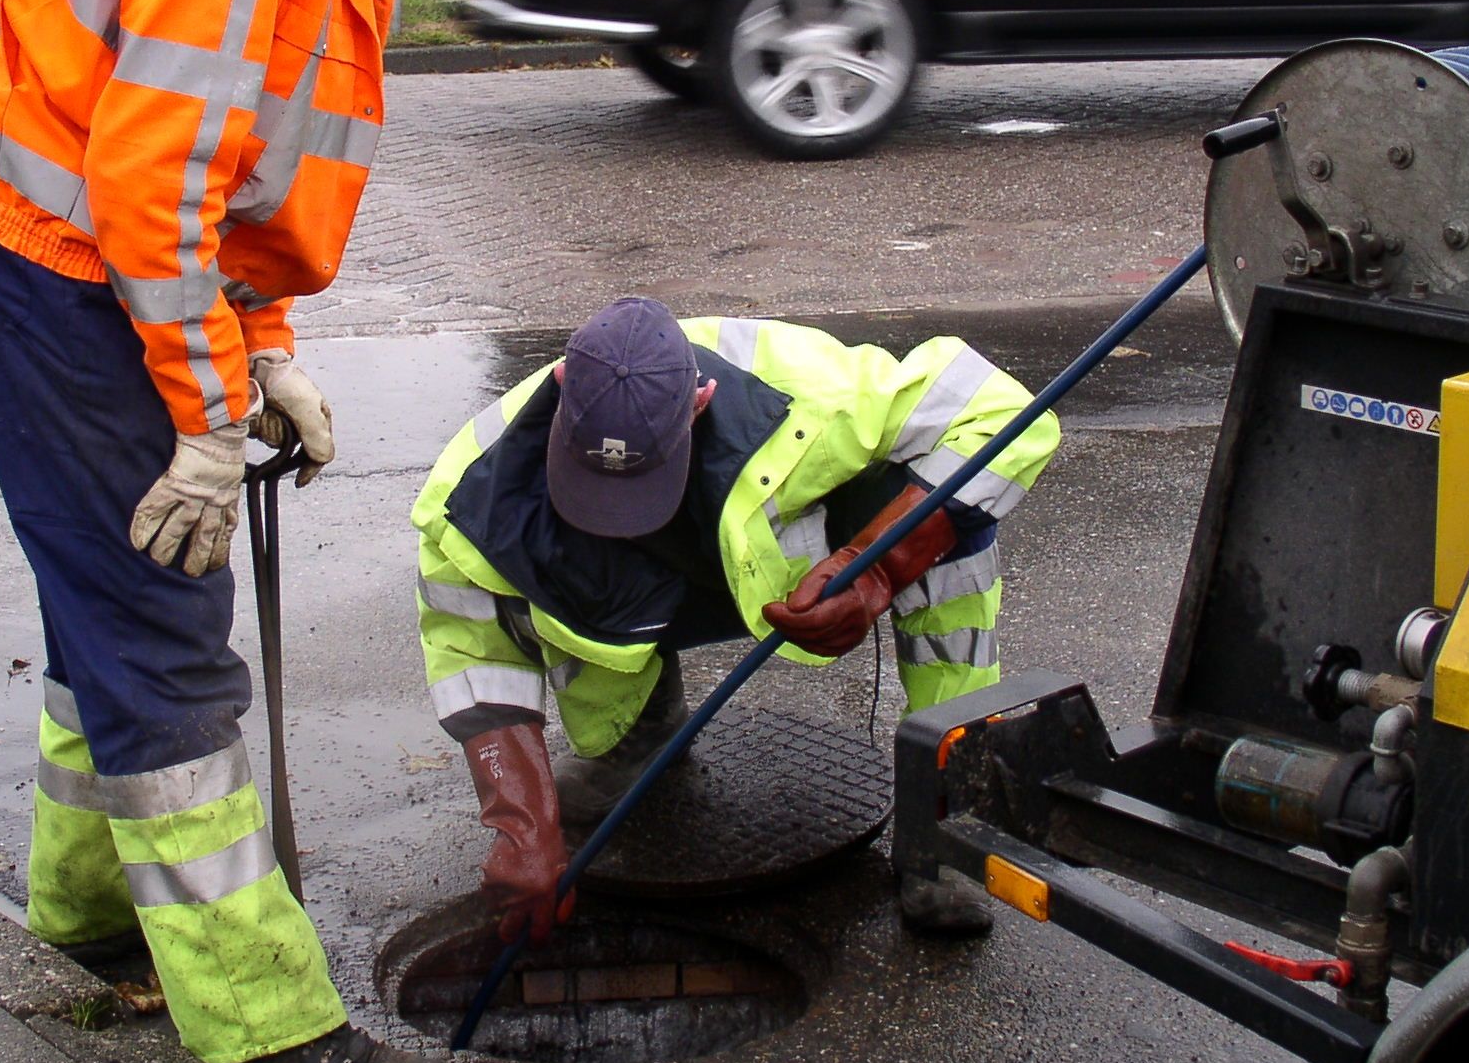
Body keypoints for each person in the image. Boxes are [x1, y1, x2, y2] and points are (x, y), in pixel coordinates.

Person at [0, 0, 580, 1063]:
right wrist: (209, 418)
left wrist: (264, 337)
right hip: (58, 251)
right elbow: (152, 181)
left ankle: (88, 911)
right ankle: (267, 1023)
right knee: (161, 608)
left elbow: (241, 156)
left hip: (104, 244)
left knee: (107, 583)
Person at [412, 297, 1061, 943]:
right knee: (509, 575)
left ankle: (945, 811)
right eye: (596, 486)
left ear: (701, 400)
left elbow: (1007, 412)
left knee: (953, 523)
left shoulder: (812, 390)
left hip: (786, 566)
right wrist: (522, 826)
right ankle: (639, 733)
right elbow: (469, 639)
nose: (620, 514)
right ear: (560, 384)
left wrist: (877, 569)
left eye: (640, 485)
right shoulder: (478, 476)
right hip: (634, 590)